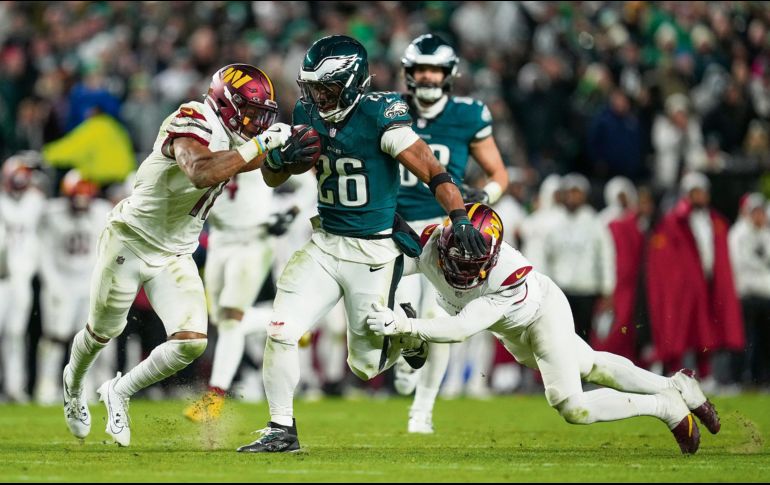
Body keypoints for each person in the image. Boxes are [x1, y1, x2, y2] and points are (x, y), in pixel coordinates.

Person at [236, 35, 487, 453]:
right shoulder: (306, 111)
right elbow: (273, 177)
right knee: (280, 330)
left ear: (352, 83)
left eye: (327, 87)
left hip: (372, 250)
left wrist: (459, 216)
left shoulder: (379, 115)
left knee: (365, 366)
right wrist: (281, 160)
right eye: (312, 87)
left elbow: (431, 169)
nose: (317, 96)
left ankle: (409, 334)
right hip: (325, 242)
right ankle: (282, 428)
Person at [61, 63, 307, 447]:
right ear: (227, 104)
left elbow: (271, 173)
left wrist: (291, 155)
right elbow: (200, 171)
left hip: (175, 251)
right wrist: (262, 145)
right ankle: (73, 386)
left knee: (191, 342)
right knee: (102, 333)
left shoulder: (236, 136)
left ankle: (119, 391)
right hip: (131, 238)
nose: (256, 122)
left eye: (262, 117)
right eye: (250, 112)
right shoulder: (193, 117)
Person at [366, 203, 721, 455]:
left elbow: (461, 328)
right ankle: (677, 385)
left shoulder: (508, 272)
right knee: (591, 365)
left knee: (570, 403)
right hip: (512, 333)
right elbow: (389, 265)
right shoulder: (431, 244)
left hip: (540, 316)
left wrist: (404, 323)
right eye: (456, 259)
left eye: (472, 264)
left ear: (492, 258)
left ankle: (666, 407)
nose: (461, 271)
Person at [391, 33, 509, 433]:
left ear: (448, 75)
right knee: (397, 311)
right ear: (408, 73)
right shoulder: (390, 110)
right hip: (397, 227)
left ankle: (422, 410)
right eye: (419, 70)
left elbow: (499, 174)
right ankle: (406, 362)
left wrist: (484, 195)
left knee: (433, 317)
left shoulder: (468, 114)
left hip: (446, 230)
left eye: (433, 70)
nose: (425, 77)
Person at [183, 170, 299, 422]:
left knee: (231, 320)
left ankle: (215, 396)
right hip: (219, 240)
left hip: (253, 240)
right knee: (220, 320)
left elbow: (309, 182)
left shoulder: (262, 147)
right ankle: (289, 321)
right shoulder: (212, 147)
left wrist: (292, 213)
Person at [35, 170, 113, 404]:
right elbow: (44, 252)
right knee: (55, 337)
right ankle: (46, 385)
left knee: (90, 340)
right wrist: (53, 284)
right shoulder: (52, 213)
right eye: (76, 196)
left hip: (88, 282)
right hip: (62, 281)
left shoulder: (101, 212)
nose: (81, 202)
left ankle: (87, 386)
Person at [0, 154, 46, 403]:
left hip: (21, 276)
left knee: (16, 333)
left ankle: (15, 386)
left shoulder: (34, 200)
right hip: (1, 276)